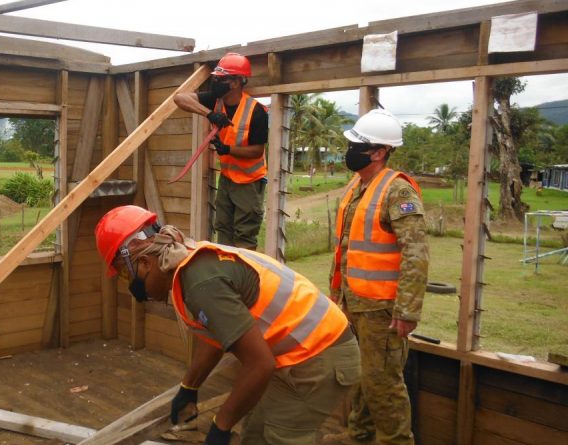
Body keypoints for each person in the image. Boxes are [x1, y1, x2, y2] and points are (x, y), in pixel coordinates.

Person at [95, 205, 361, 445]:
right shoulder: (191, 263)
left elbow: (260, 364)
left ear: (144, 262)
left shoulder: (201, 284)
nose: (129, 284)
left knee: (280, 436)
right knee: (255, 433)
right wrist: (189, 387)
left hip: (322, 360)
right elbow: (218, 334)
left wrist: (220, 426)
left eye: (124, 273)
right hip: (304, 356)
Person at [325, 109, 429, 445]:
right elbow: (347, 247)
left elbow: (416, 252)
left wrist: (407, 310)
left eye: (359, 145)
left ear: (380, 152)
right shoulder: (358, 185)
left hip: (382, 309)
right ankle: (359, 436)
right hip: (353, 302)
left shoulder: (397, 191)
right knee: (363, 378)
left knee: (383, 385)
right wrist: (337, 297)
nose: (350, 150)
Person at [174, 52, 268, 250]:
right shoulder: (216, 101)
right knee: (223, 229)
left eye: (220, 79)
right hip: (227, 179)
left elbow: (257, 151)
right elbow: (180, 98)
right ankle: (225, 272)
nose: (215, 82)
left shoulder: (256, 111)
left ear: (235, 82)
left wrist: (227, 149)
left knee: (245, 235)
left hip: (249, 182)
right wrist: (209, 114)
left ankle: (243, 275)